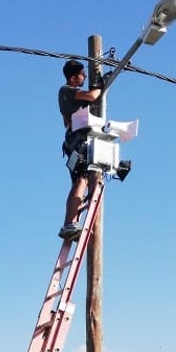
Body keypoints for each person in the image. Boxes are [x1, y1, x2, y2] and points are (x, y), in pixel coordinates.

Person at [57, 59, 102, 240]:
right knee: (81, 179)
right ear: (73, 77)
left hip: (71, 141)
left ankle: (70, 222)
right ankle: (70, 223)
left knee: (77, 181)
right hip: (77, 140)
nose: (84, 77)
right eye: (82, 75)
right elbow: (92, 96)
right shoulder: (67, 90)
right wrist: (101, 84)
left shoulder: (68, 96)